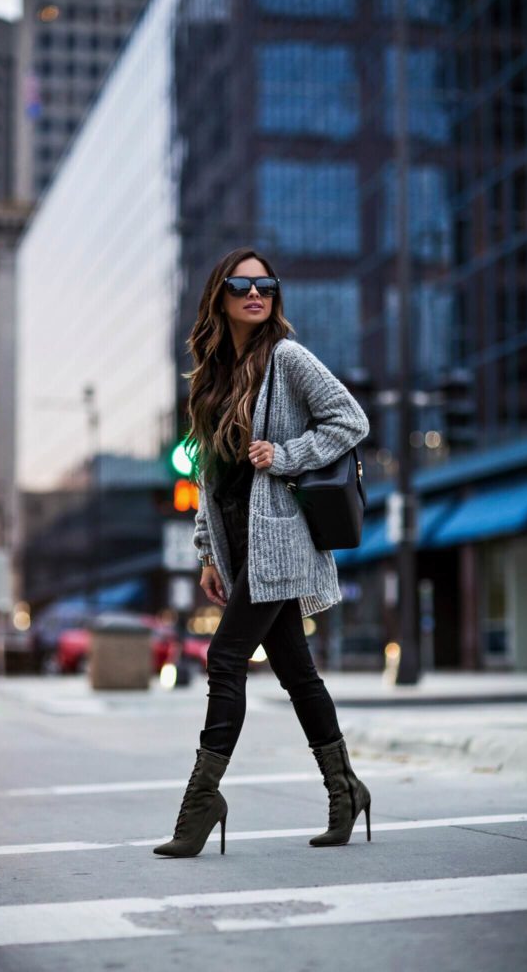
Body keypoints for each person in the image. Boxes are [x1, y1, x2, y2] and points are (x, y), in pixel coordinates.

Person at [154, 247, 371, 858]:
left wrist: (287, 453)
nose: (256, 293)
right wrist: (205, 553)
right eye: (241, 284)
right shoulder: (213, 378)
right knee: (298, 673)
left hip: (280, 542)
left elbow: (349, 420)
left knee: (224, 657)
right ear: (218, 296)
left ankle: (201, 803)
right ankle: (345, 787)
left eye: (266, 285)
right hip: (237, 543)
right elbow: (210, 479)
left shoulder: (288, 357)